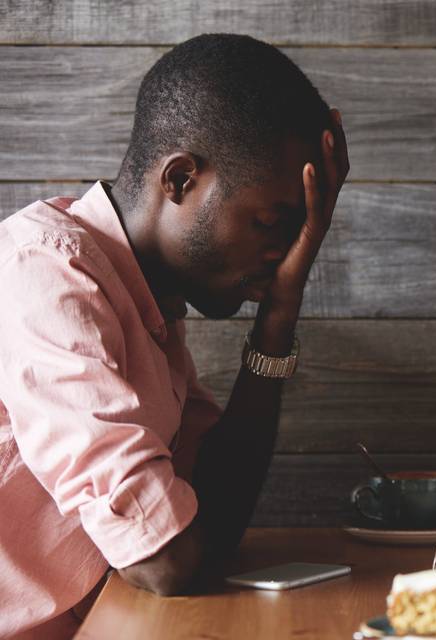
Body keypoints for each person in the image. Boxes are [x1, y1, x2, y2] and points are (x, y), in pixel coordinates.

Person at [0, 34, 349, 638]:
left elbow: (212, 520)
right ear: (181, 179)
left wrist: (279, 315)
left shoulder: (149, 305)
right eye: (272, 224)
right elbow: (164, 559)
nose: (286, 253)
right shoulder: (45, 273)